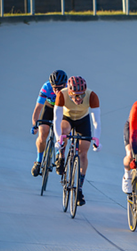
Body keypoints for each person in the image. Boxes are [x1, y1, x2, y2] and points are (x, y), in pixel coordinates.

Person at [54, 76, 102, 206]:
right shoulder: (61, 95)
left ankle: (79, 188)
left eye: (81, 95)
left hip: (83, 120)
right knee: (64, 131)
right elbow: (56, 119)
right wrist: (59, 139)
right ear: (69, 93)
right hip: (67, 118)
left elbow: (96, 121)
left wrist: (97, 140)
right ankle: (61, 156)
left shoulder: (92, 96)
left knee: (83, 153)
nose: (79, 99)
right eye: (75, 96)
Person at [30, 70, 68, 176]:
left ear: (65, 85)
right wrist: (34, 124)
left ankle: (58, 154)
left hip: (63, 110)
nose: (56, 90)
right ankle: (38, 161)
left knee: (62, 132)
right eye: (54, 87)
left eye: (59, 88)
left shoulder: (70, 89)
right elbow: (38, 109)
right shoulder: (46, 87)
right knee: (43, 133)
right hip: (49, 108)